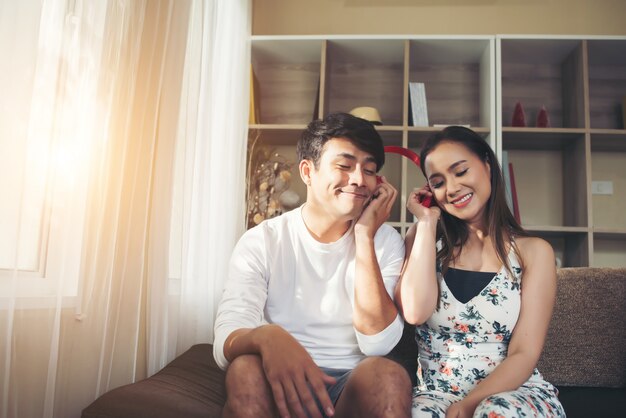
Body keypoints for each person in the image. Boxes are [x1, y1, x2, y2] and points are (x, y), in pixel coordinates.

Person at [214, 112, 413, 418]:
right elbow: (226, 340)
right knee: (244, 370)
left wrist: (364, 236)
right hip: (279, 379)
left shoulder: (384, 241)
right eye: (344, 166)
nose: (359, 179)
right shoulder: (262, 241)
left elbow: (378, 344)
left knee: (390, 376)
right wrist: (269, 336)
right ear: (307, 171)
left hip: (351, 385)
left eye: (369, 170)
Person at [395, 126, 566, 418]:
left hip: (513, 395)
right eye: (438, 182)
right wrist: (425, 222)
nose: (451, 189)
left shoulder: (534, 252)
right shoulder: (423, 239)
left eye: (460, 172)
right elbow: (414, 313)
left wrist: (468, 405)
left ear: (487, 165)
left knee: (495, 412)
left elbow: (524, 353)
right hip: (436, 395)